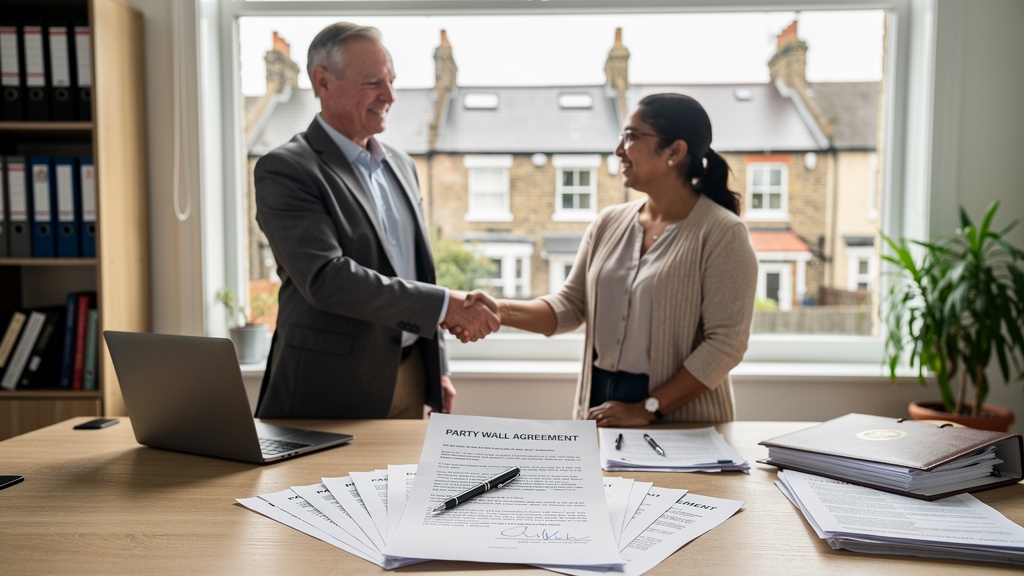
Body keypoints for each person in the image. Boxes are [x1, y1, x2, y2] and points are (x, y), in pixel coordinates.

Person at [461, 93, 758, 427]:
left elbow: (725, 345)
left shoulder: (723, 233)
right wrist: (500, 310)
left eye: (631, 137)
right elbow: (571, 307)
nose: (618, 150)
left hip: (682, 415)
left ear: (675, 151)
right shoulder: (608, 222)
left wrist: (648, 407)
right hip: (601, 395)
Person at [253, 23, 498, 420]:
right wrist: (445, 306)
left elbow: (419, 271)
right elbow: (326, 279)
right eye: (372, 83)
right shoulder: (285, 169)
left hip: (410, 377)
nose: (389, 96)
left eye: (391, 81)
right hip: (329, 388)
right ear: (322, 82)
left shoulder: (401, 165)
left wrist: (439, 368)